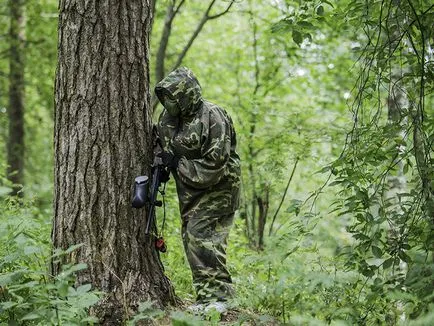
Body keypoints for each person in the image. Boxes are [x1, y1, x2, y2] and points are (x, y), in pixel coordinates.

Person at [155, 67, 241, 310]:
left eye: (173, 96)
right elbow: (161, 144)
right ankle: (207, 299)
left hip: (219, 188)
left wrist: (177, 164)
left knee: (202, 237)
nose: (168, 102)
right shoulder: (168, 119)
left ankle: (221, 299)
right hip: (191, 192)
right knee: (192, 239)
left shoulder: (212, 116)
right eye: (166, 97)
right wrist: (162, 163)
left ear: (186, 95)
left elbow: (215, 164)